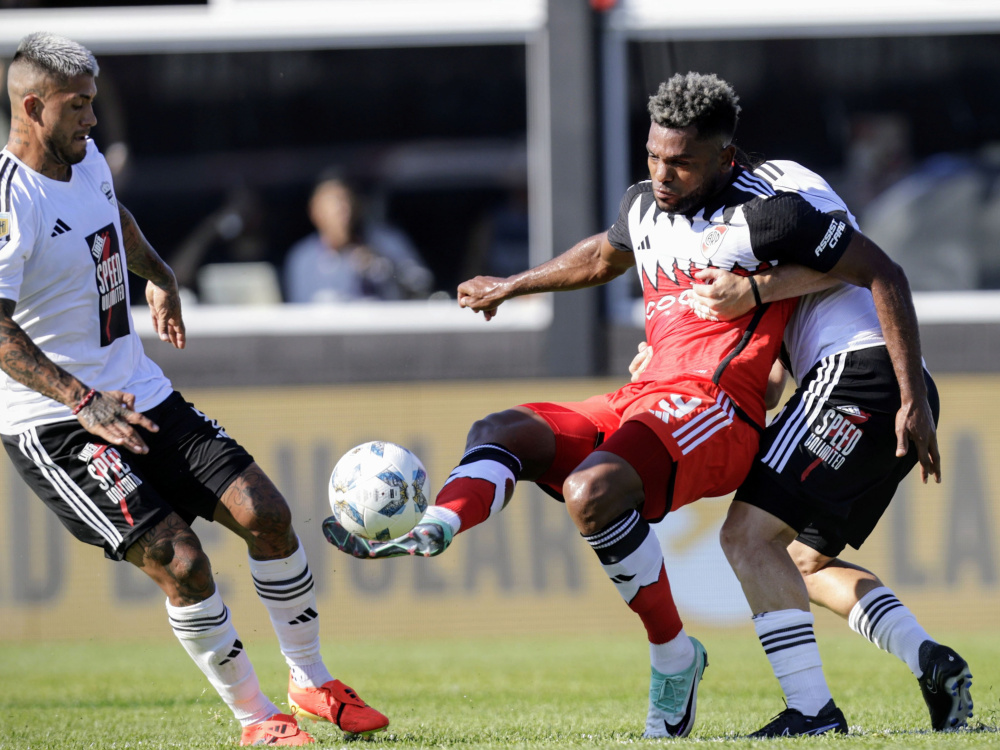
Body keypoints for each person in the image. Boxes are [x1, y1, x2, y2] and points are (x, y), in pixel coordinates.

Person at [323, 72, 937, 738]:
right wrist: (513, 284)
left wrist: (907, 393)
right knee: (502, 428)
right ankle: (437, 528)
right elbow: (604, 255)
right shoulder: (643, 204)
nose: (663, 174)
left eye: (681, 163)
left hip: (714, 409)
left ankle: (780, 699)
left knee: (595, 492)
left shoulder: (772, 213)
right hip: (645, 394)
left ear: (726, 159)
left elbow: (872, 267)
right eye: (653, 156)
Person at [0, 32, 389, 746]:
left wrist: (159, 274)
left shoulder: (85, 161)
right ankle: (255, 717)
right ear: (32, 107)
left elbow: (113, 218)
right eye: (77, 106)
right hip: (58, 423)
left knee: (266, 514)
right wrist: (82, 401)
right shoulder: (8, 199)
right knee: (180, 559)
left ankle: (311, 680)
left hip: (139, 393)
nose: (92, 119)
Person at [624, 158, 970, 734]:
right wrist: (665, 366)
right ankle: (931, 661)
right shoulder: (748, 233)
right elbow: (767, 384)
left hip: (857, 375)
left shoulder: (775, 192)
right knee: (800, 561)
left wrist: (753, 289)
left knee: (744, 536)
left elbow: (869, 266)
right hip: (877, 383)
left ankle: (812, 712)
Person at [283, 174, 432, 303]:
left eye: (346, 201)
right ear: (314, 211)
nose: (343, 211)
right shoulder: (302, 258)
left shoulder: (385, 241)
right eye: (333, 204)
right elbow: (299, 312)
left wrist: (384, 267)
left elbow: (421, 285)